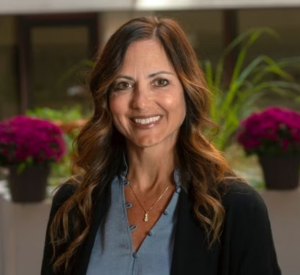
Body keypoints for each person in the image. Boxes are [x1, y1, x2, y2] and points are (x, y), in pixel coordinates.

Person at [41, 16, 281, 275]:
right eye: (124, 85)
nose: (141, 102)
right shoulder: (73, 204)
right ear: (107, 99)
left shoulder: (236, 207)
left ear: (187, 91)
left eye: (160, 82)